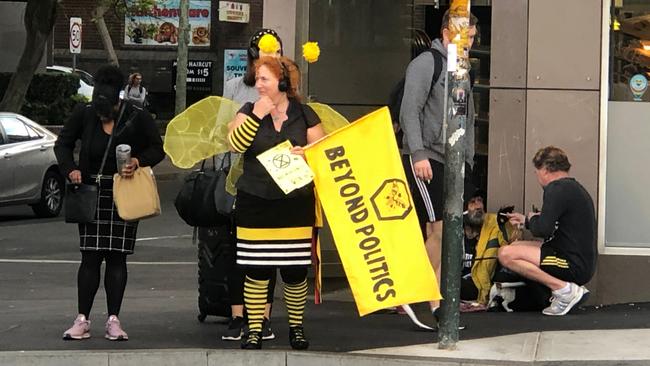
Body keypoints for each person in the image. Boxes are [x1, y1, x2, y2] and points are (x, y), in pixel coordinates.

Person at [55, 65, 164, 341]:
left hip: (123, 193)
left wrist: (139, 161)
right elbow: (62, 144)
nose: (103, 117)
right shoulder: (85, 114)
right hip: (91, 192)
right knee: (90, 256)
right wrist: (71, 170)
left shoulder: (136, 116)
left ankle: (114, 320)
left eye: (108, 112)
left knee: (117, 258)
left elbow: (157, 148)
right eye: (99, 111)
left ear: (118, 101)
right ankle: (82, 319)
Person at [226, 55, 325, 350]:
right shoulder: (248, 110)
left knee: (295, 271)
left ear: (283, 83)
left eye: (264, 79)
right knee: (256, 270)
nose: (258, 84)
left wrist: (306, 153)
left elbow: (324, 151)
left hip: (294, 203)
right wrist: (257, 114)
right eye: (257, 78)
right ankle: (254, 329)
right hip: (255, 201)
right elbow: (235, 145)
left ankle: (296, 327)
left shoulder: (305, 114)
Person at [399, 10, 479, 322]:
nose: (469, 43)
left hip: (453, 159)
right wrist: (417, 152)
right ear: (447, 34)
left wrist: (468, 160)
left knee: (444, 229)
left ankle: (433, 297)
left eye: (472, 38)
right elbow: (410, 110)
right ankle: (425, 294)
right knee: (441, 228)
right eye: (465, 37)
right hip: (429, 155)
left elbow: (468, 117)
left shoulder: (461, 68)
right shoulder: (426, 64)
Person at [220, 28, 283, 342]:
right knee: (238, 252)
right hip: (241, 180)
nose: (269, 57)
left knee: (267, 253)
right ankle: (237, 315)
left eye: (276, 51)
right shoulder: (235, 87)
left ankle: (264, 317)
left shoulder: (287, 92)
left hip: (276, 181)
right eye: (264, 50)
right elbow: (224, 134)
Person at [498, 146, 596, 316]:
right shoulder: (573, 188)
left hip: (571, 263)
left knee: (506, 253)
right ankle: (561, 290)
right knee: (517, 245)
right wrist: (527, 220)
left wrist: (532, 218)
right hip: (577, 258)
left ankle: (564, 290)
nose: (537, 177)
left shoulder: (555, 189)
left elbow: (543, 229)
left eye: (536, 172)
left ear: (544, 170)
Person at [460, 190, 520, 307]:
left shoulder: (493, 223)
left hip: (480, 284)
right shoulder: (453, 229)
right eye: (472, 202)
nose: (479, 206)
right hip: (461, 281)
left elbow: (510, 245)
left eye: (480, 201)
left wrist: (504, 226)